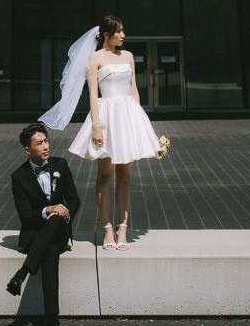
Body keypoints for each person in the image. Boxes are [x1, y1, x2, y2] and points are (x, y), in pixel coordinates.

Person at [40, 15, 160, 251]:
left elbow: (134, 89)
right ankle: (107, 228)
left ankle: (122, 228)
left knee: (125, 175)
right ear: (107, 34)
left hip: (128, 116)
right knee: (105, 175)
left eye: (124, 31)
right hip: (106, 116)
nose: (123, 35)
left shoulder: (127, 56)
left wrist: (140, 123)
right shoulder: (94, 58)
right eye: (119, 31)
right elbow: (93, 94)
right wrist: (96, 125)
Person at [6, 121, 80, 326]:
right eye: (39, 143)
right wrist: (47, 210)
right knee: (49, 252)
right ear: (28, 150)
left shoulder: (60, 164)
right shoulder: (19, 176)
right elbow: (26, 217)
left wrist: (62, 213)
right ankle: (53, 325)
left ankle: (23, 272)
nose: (46, 146)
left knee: (58, 215)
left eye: (46, 140)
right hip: (36, 235)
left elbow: (74, 200)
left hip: (59, 230)